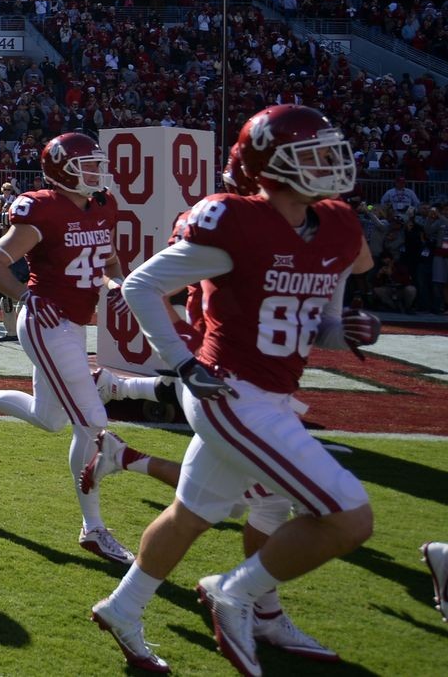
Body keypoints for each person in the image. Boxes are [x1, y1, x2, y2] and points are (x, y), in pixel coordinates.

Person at [91, 105, 380, 675]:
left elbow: (315, 323)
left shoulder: (339, 225)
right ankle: (237, 590)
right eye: (311, 155)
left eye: (328, 151)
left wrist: (342, 331)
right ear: (272, 166)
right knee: (350, 517)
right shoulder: (236, 222)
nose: (328, 164)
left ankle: (123, 607)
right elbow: (143, 285)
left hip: (269, 392)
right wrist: (181, 363)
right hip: (231, 391)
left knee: (193, 513)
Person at [0, 132, 166, 565]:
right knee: (91, 423)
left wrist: (114, 285)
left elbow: (109, 261)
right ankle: (93, 528)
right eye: (88, 165)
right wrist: (25, 297)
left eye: (98, 164)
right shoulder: (43, 208)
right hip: (46, 322)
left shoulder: (102, 206)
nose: (97, 172)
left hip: (72, 324)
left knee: (49, 418)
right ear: (63, 170)